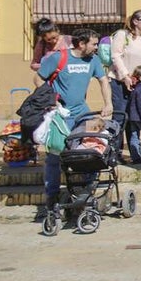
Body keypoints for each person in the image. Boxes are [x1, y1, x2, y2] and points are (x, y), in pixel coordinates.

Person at [37, 28, 112, 209]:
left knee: (90, 151)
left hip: (82, 114)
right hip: (60, 116)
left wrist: (108, 103)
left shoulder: (93, 60)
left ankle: (87, 191)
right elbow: (38, 79)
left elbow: (103, 80)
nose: (97, 48)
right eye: (94, 44)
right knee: (54, 156)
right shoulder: (58, 58)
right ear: (81, 44)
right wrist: (50, 99)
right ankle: (51, 196)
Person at [108, 10, 141, 130]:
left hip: (138, 85)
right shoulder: (122, 35)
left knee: (134, 118)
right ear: (135, 21)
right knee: (120, 117)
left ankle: (134, 147)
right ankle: (116, 147)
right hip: (120, 82)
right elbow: (116, 55)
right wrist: (125, 76)